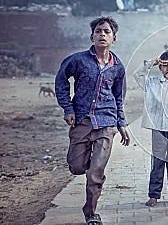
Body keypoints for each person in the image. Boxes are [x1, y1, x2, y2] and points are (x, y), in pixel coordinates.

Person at [55, 16, 130, 225]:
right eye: (98, 31)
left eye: (106, 32)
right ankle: (86, 162)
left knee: (96, 171)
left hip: (106, 122)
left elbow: (119, 97)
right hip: (82, 120)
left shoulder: (118, 67)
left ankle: (91, 212)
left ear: (114, 38)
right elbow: (61, 80)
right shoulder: (78, 60)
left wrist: (121, 124)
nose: (102, 34)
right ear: (92, 36)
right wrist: (67, 108)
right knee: (77, 167)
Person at [133, 51, 168, 207]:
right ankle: (154, 195)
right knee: (158, 162)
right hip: (158, 128)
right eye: (164, 66)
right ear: (160, 67)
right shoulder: (151, 84)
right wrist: (151, 62)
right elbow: (137, 75)